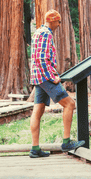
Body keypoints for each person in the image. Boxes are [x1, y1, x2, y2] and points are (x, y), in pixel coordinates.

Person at [29, 9, 84, 158]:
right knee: (70, 104)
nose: (59, 24)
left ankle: (35, 149)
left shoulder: (38, 32)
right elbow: (41, 59)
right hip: (45, 77)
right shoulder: (46, 33)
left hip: (37, 78)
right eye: (58, 21)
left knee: (38, 111)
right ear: (53, 20)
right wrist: (52, 77)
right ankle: (66, 142)